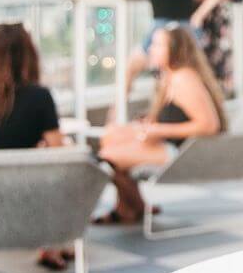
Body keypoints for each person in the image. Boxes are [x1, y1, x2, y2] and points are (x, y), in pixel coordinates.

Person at [0, 24, 68, 270]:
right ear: (29, 54)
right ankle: (56, 242)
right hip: (23, 197)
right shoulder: (40, 97)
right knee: (62, 170)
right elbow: (60, 153)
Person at [96, 25, 226, 225]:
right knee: (110, 136)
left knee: (108, 157)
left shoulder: (184, 79)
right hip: (167, 143)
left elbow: (210, 126)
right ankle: (132, 207)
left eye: (157, 45)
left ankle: (130, 208)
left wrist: (158, 130)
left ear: (174, 49)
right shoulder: (169, 76)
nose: (151, 49)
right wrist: (150, 125)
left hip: (182, 152)